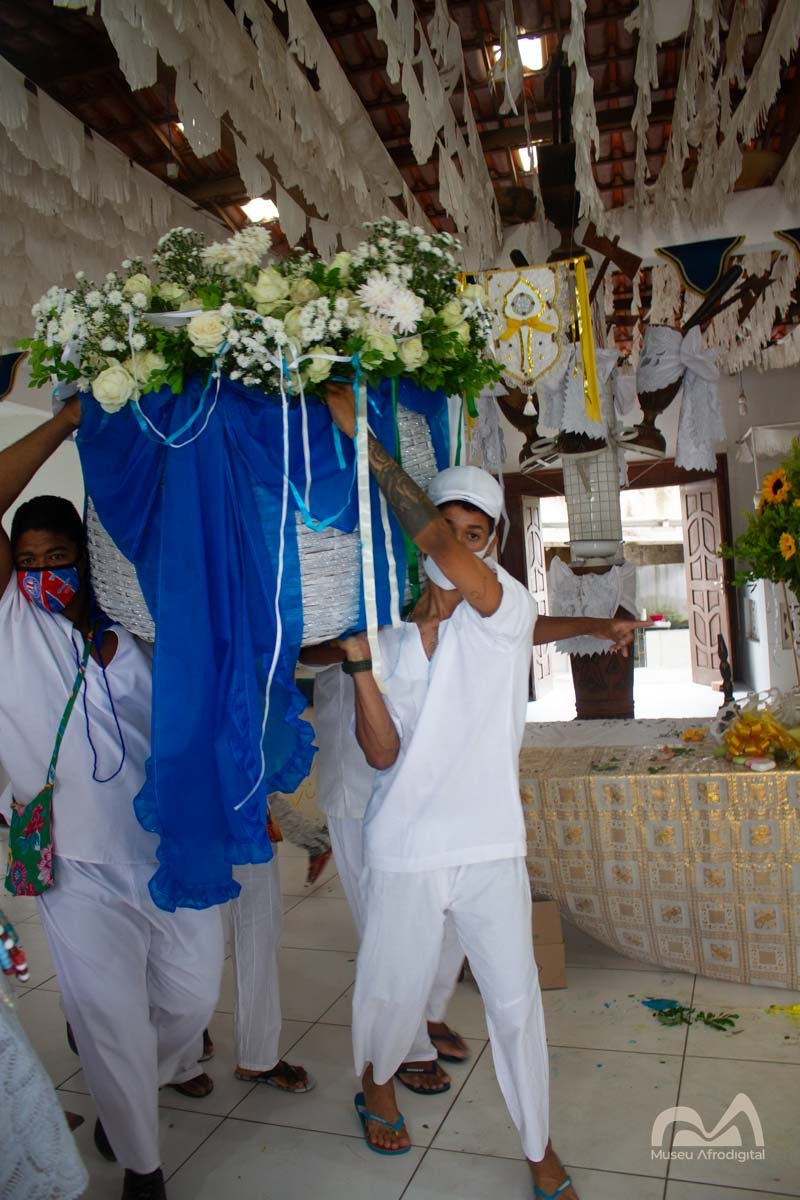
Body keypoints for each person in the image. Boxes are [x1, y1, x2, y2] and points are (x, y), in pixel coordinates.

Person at [323, 381, 644, 1199]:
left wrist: (362, 439)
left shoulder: (504, 612)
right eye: (450, 532)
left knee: (515, 1003)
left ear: (492, 544)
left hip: (489, 846)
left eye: (474, 536)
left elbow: (439, 542)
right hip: (405, 847)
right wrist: (363, 667)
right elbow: (383, 754)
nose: (456, 549)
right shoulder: (396, 634)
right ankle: (377, 1085)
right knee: (390, 990)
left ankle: (539, 1146)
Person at [0, 397, 224, 1200]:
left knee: (191, 999)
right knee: (110, 1020)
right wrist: (65, 422)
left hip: (168, 853)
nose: (42, 571)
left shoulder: (136, 622)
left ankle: (131, 1080)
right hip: (74, 865)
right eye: (28, 559)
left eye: (57, 556)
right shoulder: (10, 622)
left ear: (85, 558)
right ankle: (140, 1162)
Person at [309, 661, 468, 1094]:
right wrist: (359, 647)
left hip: (429, 774)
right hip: (359, 778)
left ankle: (426, 1013)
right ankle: (408, 1048)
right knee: (387, 929)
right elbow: (302, 648)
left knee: (449, 916)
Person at [227, 792, 328, 1092]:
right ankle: (184, 1047)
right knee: (191, 953)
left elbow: (261, 777)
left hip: (249, 823)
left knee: (259, 934)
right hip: (182, 821)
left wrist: (309, 837)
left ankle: (256, 1055)